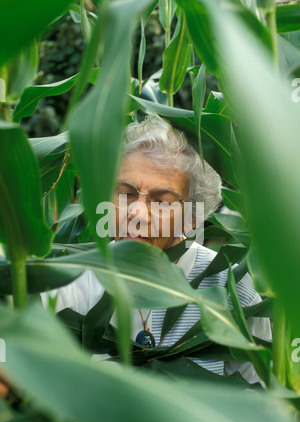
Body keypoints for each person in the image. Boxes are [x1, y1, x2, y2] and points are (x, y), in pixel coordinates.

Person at [41, 114, 272, 385]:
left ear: (192, 216)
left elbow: (257, 397)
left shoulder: (231, 288)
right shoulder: (73, 278)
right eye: (124, 193)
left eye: (162, 201)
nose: (137, 212)